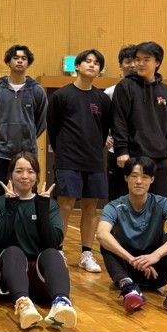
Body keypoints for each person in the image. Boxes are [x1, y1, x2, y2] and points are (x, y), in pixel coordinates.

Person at [95, 156, 167, 315]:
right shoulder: (114, 206)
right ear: (126, 178)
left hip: (156, 271)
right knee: (108, 241)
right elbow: (101, 234)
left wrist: (155, 256)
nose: (139, 181)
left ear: (152, 179)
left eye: (144, 177)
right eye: (134, 176)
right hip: (127, 269)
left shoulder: (163, 203)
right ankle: (128, 288)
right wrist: (132, 259)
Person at [0, 152, 77, 329]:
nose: (25, 176)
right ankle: (24, 304)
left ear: (37, 176)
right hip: (10, 277)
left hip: (41, 278)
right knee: (13, 251)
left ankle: (61, 303)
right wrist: (11, 208)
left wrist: (42, 210)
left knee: (52, 253)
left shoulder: (49, 204)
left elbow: (53, 242)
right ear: (10, 175)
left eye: (30, 171)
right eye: (19, 171)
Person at [46, 49, 111, 273]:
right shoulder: (62, 96)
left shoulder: (102, 99)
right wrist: (63, 152)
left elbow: (104, 130)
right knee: (65, 204)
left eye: (96, 63)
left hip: (94, 160)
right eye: (88, 61)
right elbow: (53, 128)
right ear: (77, 66)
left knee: (91, 206)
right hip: (68, 159)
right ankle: (59, 250)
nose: (92, 65)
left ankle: (86, 254)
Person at [110, 41, 167, 199]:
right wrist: (122, 150)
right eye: (137, 59)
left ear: (157, 62)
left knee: (159, 203)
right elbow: (119, 121)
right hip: (133, 156)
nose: (140, 63)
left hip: (160, 157)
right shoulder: (125, 86)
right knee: (128, 204)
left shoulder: (166, 91)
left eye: (146, 59)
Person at [0, 44, 48, 199]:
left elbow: (41, 122)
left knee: (26, 198)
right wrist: (2, 134)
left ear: (28, 63)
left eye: (24, 58)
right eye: (16, 58)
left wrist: (28, 134)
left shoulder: (37, 91)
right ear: (8, 62)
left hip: (27, 154)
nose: (20, 61)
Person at [105, 45, 137, 201]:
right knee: (117, 196)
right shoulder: (110, 91)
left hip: (142, 151)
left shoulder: (150, 90)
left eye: (135, 61)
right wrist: (105, 137)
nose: (132, 65)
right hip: (117, 152)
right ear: (121, 65)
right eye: (128, 61)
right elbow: (101, 120)